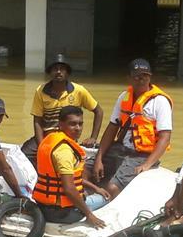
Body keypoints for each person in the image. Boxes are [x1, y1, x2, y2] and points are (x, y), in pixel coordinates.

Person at [91, 58, 173, 200]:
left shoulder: (160, 101)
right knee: (86, 169)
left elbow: (165, 138)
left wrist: (147, 165)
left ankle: (103, 210)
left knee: (112, 187)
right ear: (129, 78)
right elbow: (112, 127)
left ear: (150, 77)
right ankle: (83, 198)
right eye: (137, 76)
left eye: (145, 76)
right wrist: (99, 158)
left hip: (142, 155)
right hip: (120, 148)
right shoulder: (124, 97)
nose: (141, 80)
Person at [33, 106, 110, 227]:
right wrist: (89, 215)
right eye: (72, 124)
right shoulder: (64, 151)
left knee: (94, 192)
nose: (78, 128)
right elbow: (69, 188)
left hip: (43, 206)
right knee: (105, 199)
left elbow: (66, 179)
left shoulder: (50, 140)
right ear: (61, 124)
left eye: (80, 124)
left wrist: (95, 188)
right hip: (63, 213)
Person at [20, 55, 103, 164]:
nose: (58, 72)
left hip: (68, 137)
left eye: (62, 69)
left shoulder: (79, 91)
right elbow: (37, 121)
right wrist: (42, 146)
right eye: (55, 69)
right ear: (50, 72)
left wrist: (93, 137)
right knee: (22, 155)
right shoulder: (40, 91)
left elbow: (98, 111)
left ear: (67, 72)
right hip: (46, 136)